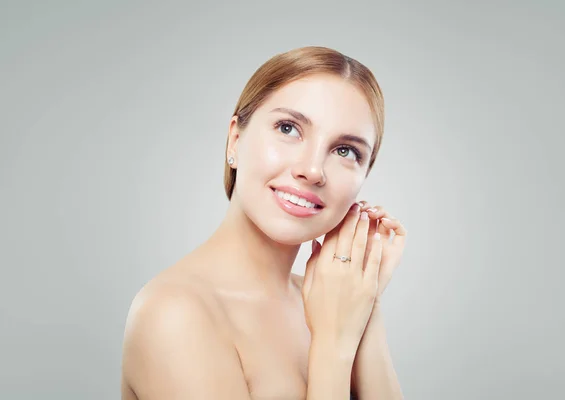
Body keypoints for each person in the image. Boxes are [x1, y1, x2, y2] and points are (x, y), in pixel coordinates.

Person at [120, 46, 407, 400]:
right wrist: (333, 347)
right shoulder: (174, 314)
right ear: (235, 140)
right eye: (288, 128)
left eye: (345, 151)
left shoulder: (334, 300)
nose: (313, 170)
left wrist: (367, 302)